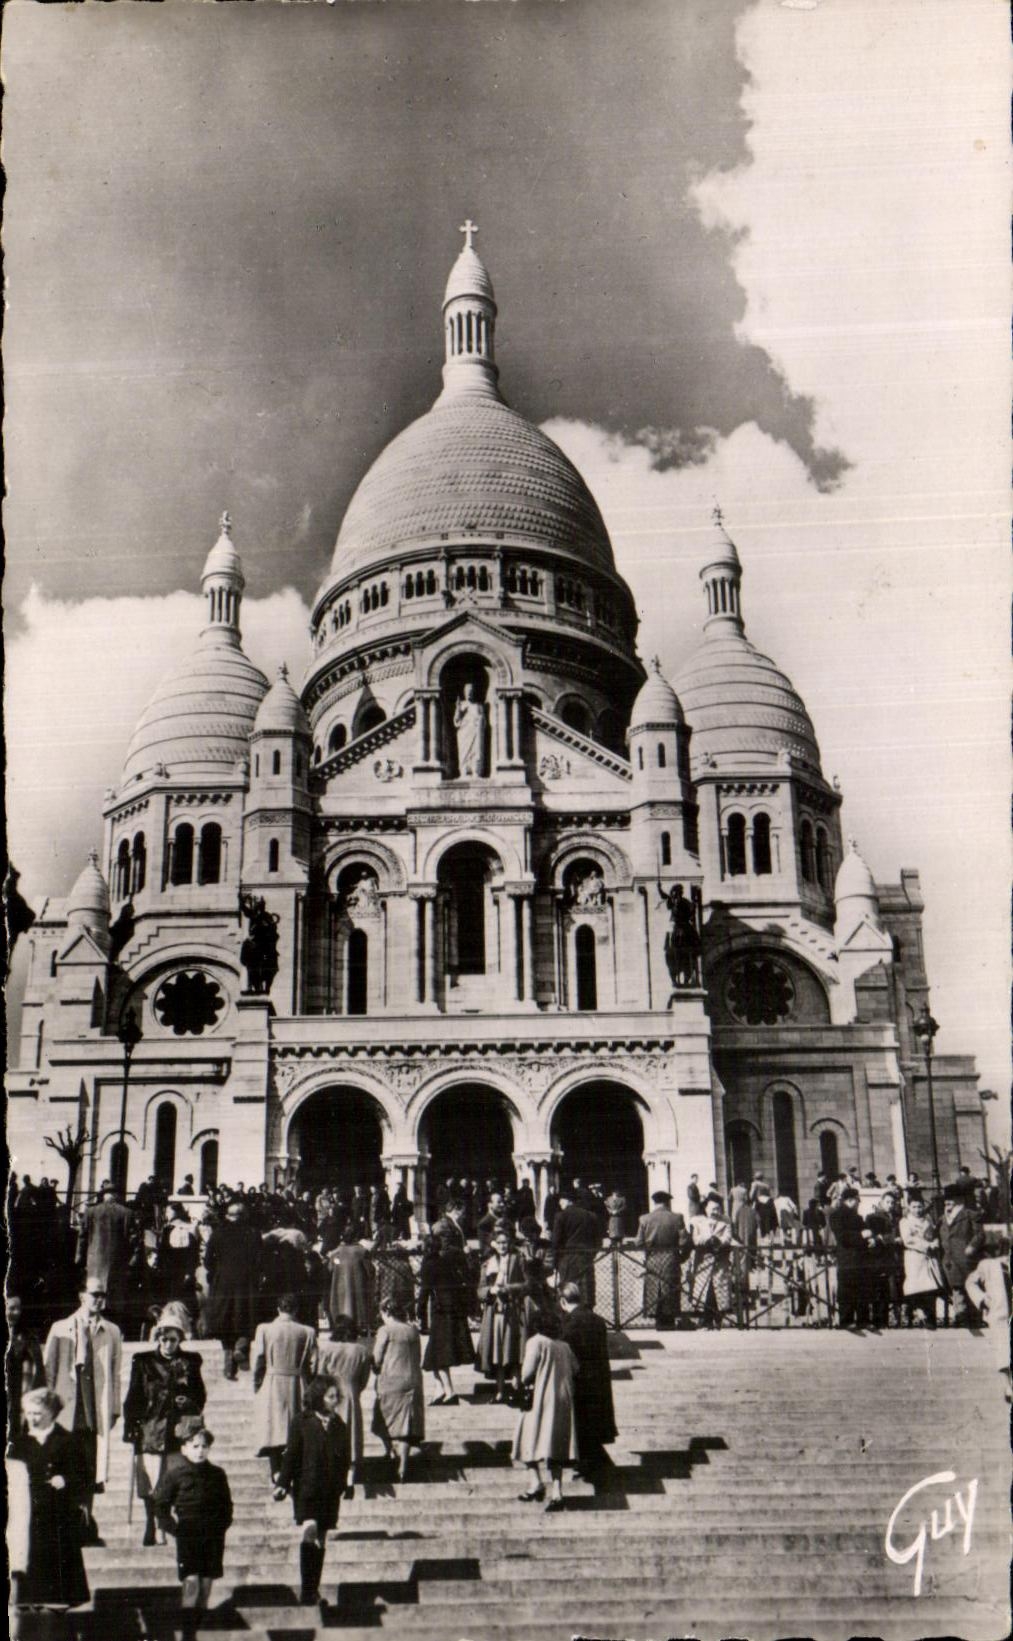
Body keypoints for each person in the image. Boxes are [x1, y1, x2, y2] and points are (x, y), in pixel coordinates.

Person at [43, 1275, 123, 1536]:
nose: (99, 1300)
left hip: (93, 1409)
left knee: (90, 1467)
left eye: (103, 1295)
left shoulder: (111, 1331)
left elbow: (115, 1372)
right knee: (64, 1467)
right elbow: (49, 1372)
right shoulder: (61, 1327)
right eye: (94, 1294)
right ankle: (65, 1524)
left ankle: (85, 1523)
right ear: (81, 1296)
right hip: (66, 1410)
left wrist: (113, 1408)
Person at [123, 1303, 207, 1547]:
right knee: (150, 1481)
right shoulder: (143, 1361)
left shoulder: (191, 1361)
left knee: (174, 1478)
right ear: (157, 1337)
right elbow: (133, 1396)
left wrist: (188, 1400)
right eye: (164, 1338)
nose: (168, 1343)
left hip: (179, 1429)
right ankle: (152, 1524)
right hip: (151, 1427)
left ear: (180, 1338)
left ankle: (165, 1524)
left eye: (173, 1339)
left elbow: (201, 1396)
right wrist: (131, 1425)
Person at [8, 1388, 90, 1614]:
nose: (32, 1418)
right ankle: (29, 1605)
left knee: (57, 1560)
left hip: (58, 1513)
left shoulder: (67, 1440)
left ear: (51, 1413)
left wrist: (66, 1479)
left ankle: (57, 1608)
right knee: (29, 1556)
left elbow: (84, 1475)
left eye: (37, 1413)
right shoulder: (19, 1443)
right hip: (27, 1511)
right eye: (29, 1413)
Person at [273, 1378, 350, 1607]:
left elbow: (344, 1458)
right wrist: (283, 1484)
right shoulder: (301, 1421)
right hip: (307, 1488)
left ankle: (312, 1591)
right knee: (310, 1530)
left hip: (330, 1491)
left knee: (321, 1539)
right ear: (318, 1397)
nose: (335, 1402)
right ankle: (307, 1590)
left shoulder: (340, 1425)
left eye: (337, 1397)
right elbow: (292, 1455)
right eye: (330, 1397)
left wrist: (345, 1484)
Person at [154, 1417, 233, 1633]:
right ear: (184, 1448)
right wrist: (174, 1529)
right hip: (188, 1534)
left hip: (213, 1536)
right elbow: (161, 1505)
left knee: (206, 1584)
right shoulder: (175, 1475)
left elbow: (226, 1506)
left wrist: (221, 1526)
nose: (200, 1451)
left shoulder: (218, 1475)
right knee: (191, 1582)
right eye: (195, 1446)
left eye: (204, 1446)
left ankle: (199, 1625)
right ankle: (188, 1632)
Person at [512, 1309, 578, 1513]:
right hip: (562, 1399)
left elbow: (526, 1374)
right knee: (555, 1446)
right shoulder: (564, 1346)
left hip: (539, 1400)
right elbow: (576, 1368)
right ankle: (557, 1491)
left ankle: (536, 1483)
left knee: (527, 1440)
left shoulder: (536, 1342)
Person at [251, 1293, 317, 1481]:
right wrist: (308, 1381)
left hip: (273, 1380)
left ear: (278, 1309)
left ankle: (276, 1470)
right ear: (296, 1310)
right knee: (295, 1425)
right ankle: (293, 1471)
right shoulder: (308, 1331)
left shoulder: (264, 1329)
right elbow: (314, 1362)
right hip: (298, 1381)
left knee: (274, 1426)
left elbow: (258, 1358)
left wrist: (256, 1382)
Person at [559, 1281, 617, 1481]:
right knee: (592, 1422)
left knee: (581, 1422)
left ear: (563, 1301)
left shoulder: (568, 1323)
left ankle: (590, 1464)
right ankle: (595, 1462)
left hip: (579, 1378)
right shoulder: (598, 1320)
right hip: (599, 1378)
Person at [204, 1199, 264, 1379]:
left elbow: (208, 1261)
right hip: (247, 1282)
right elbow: (260, 1260)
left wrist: (218, 1272)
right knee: (246, 1316)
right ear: (244, 1216)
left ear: (228, 1216)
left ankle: (228, 1361)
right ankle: (241, 1346)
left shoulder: (218, 1233)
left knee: (225, 1319)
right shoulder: (253, 1233)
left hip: (223, 1281)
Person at [420, 1200, 473, 1404]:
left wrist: (420, 1313)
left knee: (436, 1351)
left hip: (442, 1306)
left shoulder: (433, 1262)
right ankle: (441, 1391)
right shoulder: (444, 1226)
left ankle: (447, 1391)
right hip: (446, 1304)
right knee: (436, 1352)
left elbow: (424, 1291)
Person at [315, 1314, 372, 1491]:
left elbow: (320, 1374)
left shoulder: (326, 1349)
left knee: (329, 1434)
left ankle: (331, 1477)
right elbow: (364, 1379)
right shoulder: (361, 1350)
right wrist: (354, 1390)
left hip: (330, 1396)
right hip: (351, 1394)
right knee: (351, 1435)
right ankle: (350, 1479)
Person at [372, 1298, 426, 1482]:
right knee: (406, 1425)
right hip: (413, 1381)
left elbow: (377, 1358)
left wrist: (374, 1368)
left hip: (391, 1381)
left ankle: (390, 1452)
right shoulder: (413, 1330)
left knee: (383, 1418)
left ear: (386, 1312)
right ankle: (403, 1464)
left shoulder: (385, 1330)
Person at [75, 1183, 138, 1323]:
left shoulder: (90, 1212)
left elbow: (82, 1237)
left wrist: (79, 1259)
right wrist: (132, 1262)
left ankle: (92, 1323)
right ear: (116, 1195)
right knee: (114, 1299)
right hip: (118, 1263)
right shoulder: (127, 1213)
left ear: (103, 1195)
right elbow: (135, 1242)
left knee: (94, 1293)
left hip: (94, 1262)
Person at [476, 1228, 526, 1402]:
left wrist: (509, 1289)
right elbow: (480, 1290)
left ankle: (516, 1388)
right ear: (494, 1244)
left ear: (510, 1244)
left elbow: (527, 1284)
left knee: (514, 1350)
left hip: (514, 1311)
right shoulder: (488, 1263)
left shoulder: (517, 1260)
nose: (503, 1246)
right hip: (495, 1312)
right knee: (497, 1352)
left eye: (505, 1243)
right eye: (500, 1243)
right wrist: (490, 1290)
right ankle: (500, 1391)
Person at [634, 1190, 691, 1328]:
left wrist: (647, 1252)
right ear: (668, 1202)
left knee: (654, 1288)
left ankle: (657, 1318)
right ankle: (669, 1319)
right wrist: (682, 1257)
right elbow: (685, 1241)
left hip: (652, 1258)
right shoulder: (677, 1217)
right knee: (670, 1287)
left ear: (654, 1202)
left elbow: (638, 1242)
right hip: (671, 1258)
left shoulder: (644, 1218)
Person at [938, 1184, 985, 1324]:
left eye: (951, 1200)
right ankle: (961, 1316)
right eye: (946, 1200)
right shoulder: (942, 1218)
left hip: (965, 1258)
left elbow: (980, 1234)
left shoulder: (969, 1215)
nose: (947, 1203)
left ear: (960, 1200)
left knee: (969, 1285)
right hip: (949, 1259)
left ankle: (974, 1316)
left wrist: (972, 1246)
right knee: (956, 1287)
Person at [898, 1197, 946, 1327]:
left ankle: (930, 1318)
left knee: (930, 1287)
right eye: (914, 1207)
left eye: (919, 1207)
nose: (917, 1210)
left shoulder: (928, 1220)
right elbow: (908, 1239)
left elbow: (934, 1234)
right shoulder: (905, 1221)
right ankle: (917, 1313)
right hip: (914, 1257)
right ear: (909, 1208)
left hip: (929, 1258)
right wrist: (927, 1245)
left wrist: (935, 1242)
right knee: (915, 1287)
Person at [688, 1194, 735, 1327]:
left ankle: (718, 1318)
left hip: (719, 1261)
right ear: (706, 1209)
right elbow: (695, 1239)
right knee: (704, 1289)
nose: (715, 1212)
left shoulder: (725, 1223)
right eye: (713, 1209)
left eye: (718, 1209)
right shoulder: (699, 1223)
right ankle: (705, 1319)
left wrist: (719, 1242)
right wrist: (706, 1240)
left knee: (718, 1290)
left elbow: (728, 1238)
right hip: (704, 1260)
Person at [550, 1188, 601, 1308]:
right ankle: (587, 1316)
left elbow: (555, 1241)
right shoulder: (590, 1216)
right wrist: (591, 1254)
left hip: (567, 1258)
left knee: (568, 1288)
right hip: (586, 1257)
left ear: (568, 1201)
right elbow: (598, 1241)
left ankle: (569, 1318)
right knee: (586, 1290)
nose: (560, 1203)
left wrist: (555, 1261)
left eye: (561, 1200)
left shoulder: (561, 1216)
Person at [6, 1292, 46, 1443]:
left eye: (18, 1308)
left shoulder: (26, 1337)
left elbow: (36, 1367)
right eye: (11, 1308)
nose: (15, 1312)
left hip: (17, 1394)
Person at [828, 1187, 869, 1329]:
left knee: (860, 1289)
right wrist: (861, 1236)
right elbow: (842, 1237)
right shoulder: (838, 1215)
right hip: (848, 1258)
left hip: (858, 1258)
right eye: (858, 1200)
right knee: (847, 1289)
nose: (859, 1203)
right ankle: (847, 1320)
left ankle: (861, 1320)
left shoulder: (856, 1216)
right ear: (850, 1200)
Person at [327, 1225, 374, 1336]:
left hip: (340, 1286)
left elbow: (330, 1268)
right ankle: (360, 1326)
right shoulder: (362, 1251)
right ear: (356, 1237)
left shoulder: (335, 1253)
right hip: (358, 1286)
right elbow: (370, 1270)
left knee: (342, 1305)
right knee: (358, 1305)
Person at [158, 1201, 201, 1308]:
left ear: (176, 1212)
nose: (166, 1214)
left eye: (169, 1211)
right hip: (180, 1269)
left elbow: (163, 1252)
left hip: (173, 1269)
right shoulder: (169, 1228)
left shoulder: (171, 1229)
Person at [453, 681, 486, 777]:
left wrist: (480, 720)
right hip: (464, 733)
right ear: (464, 692)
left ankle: (476, 770)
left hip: (476, 733)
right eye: (467, 691)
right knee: (464, 752)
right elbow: (456, 721)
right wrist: (458, 709)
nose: (469, 693)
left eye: (471, 691)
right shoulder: (462, 705)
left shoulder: (479, 706)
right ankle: (464, 771)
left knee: (476, 751)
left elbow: (484, 721)